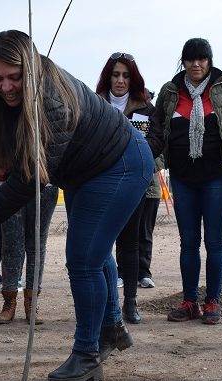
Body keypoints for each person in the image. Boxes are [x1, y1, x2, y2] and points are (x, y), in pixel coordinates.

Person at [0, 30, 153, 381]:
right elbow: (3, 124)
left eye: (15, 78)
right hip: (84, 172)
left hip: (119, 164)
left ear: (31, 67)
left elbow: (28, 179)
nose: (7, 86)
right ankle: (111, 329)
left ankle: (87, 354)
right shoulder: (7, 96)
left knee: (83, 260)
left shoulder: (51, 100)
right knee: (95, 253)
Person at [146, 38, 222, 325]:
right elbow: (157, 126)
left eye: (202, 59)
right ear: (184, 62)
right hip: (182, 177)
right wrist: (157, 161)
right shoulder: (169, 91)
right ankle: (190, 301)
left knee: (214, 240)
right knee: (188, 242)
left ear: (209, 61)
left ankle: (213, 301)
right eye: (190, 59)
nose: (196, 64)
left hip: (218, 175)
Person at [95, 52, 159, 324]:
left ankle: (130, 303)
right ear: (107, 76)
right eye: (115, 74)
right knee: (100, 247)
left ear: (133, 78)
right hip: (102, 185)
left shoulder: (146, 107)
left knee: (129, 245)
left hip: (134, 186)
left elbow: (157, 141)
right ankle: (104, 303)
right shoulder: (95, 105)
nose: (120, 80)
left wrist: (135, 156)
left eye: (125, 75)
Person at [0, 182, 58, 325]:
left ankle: (31, 303)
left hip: (45, 184)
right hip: (11, 183)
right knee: (11, 245)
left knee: (37, 246)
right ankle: (9, 302)